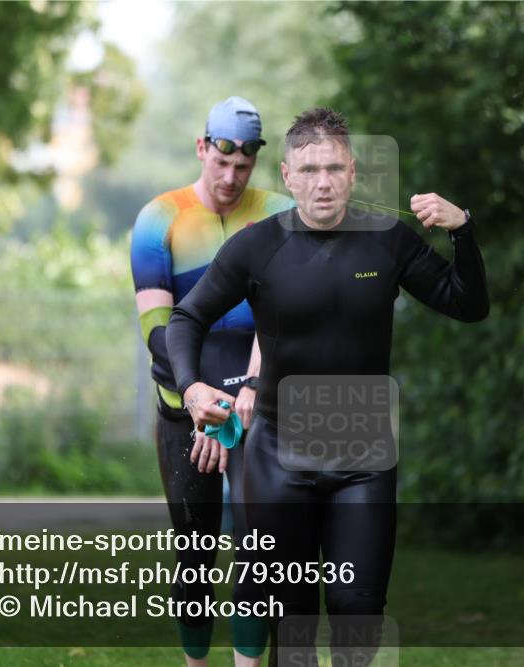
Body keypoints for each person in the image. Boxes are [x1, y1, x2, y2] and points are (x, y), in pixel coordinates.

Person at [167, 107, 489, 666]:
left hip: (362, 455)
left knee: (357, 606)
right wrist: (194, 390)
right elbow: (185, 320)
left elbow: (468, 304)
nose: (323, 182)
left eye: (335, 168)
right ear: (288, 176)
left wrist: (463, 230)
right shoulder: (257, 246)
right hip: (276, 459)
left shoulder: (386, 240)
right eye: (310, 169)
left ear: (353, 172)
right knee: (291, 622)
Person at [130, 96, 293, 667]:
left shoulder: (278, 211)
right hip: (185, 406)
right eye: (220, 162)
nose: (230, 178)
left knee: (259, 551)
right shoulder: (159, 217)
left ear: (256, 162)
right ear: (202, 148)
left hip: (257, 402)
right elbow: (158, 328)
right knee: (195, 556)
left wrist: (248, 383)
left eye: (243, 167)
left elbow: (280, 316)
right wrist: (198, 396)